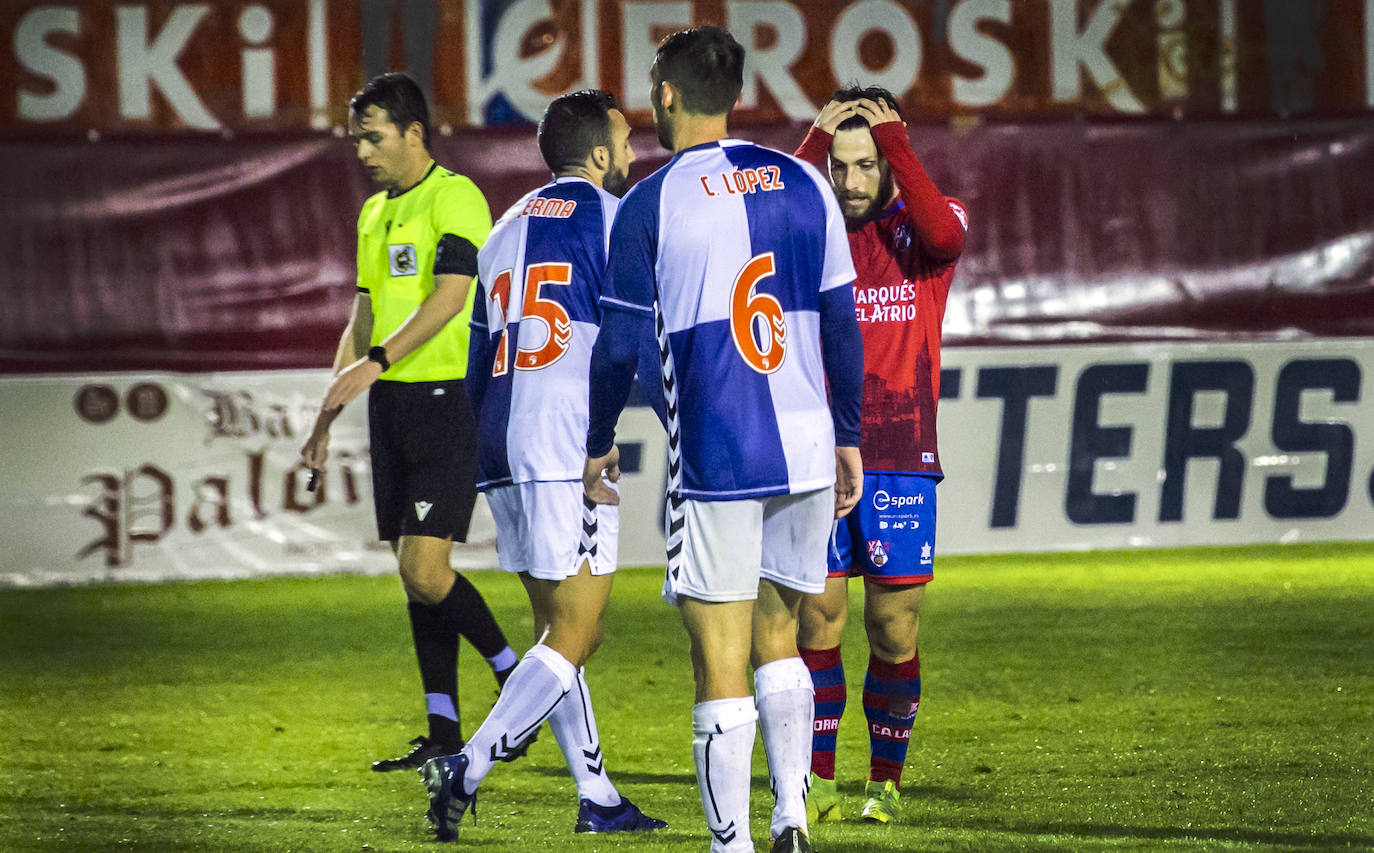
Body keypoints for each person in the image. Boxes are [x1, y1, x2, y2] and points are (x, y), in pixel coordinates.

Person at [585, 26, 863, 853]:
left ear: (664, 94)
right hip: (807, 444)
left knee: (719, 656)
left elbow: (623, 344)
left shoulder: (650, 202)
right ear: (735, 92)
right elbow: (842, 324)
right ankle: (792, 819)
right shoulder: (808, 184)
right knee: (783, 635)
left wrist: (598, 436)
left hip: (717, 452)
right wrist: (847, 435)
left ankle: (731, 844)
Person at [419, 89, 667, 841]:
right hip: (565, 440)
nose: (630, 156)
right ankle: (465, 767)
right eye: (623, 143)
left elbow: (472, 357)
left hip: (500, 435)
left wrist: (475, 455)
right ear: (597, 155)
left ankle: (597, 795)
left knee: (554, 632)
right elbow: (629, 341)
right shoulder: (615, 217)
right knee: (577, 633)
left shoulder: (503, 226)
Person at [300, 72, 522, 773]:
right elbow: (361, 317)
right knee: (416, 576)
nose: (363, 151)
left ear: (414, 133)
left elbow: (454, 296)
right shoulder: (373, 215)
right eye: (356, 138)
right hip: (391, 405)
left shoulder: (455, 196)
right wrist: (329, 408)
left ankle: (517, 676)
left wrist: (377, 359)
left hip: (446, 399)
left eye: (374, 136)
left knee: (425, 569)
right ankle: (443, 727)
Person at [792, 86, 969, 825]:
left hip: (898, 455)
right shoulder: (815, 227)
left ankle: (885, 780)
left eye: (867, 164)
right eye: (841, 166)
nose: (852, 181)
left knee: (893, 628)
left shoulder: (929, 224)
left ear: (892, 156)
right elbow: (758, 220)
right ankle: (819, 778)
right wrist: (808, 147)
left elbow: (948, 237)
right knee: (816, 623)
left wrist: (898, 144)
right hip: (817, 454)